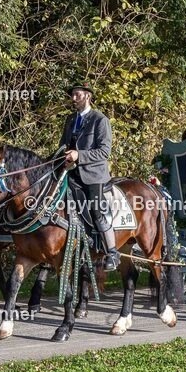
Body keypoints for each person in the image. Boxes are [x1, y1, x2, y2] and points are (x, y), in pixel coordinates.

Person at [60, 83, 119, 270]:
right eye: (72, 95)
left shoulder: (100, 120)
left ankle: (112, 252)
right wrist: (60, 159)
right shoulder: (70, 119)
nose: (73, 98)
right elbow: (63, 146)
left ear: (88, 96)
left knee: (96, 210)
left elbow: (104, 152)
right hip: (71, 173)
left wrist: (79, 155)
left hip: (94, 175)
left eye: (77, 95)